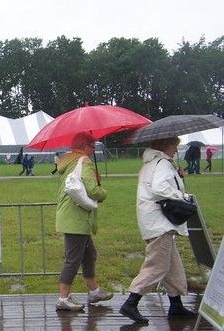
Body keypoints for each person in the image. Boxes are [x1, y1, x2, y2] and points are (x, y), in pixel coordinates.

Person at [119, 137, 197, 324]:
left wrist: (177, 178)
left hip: (153, 222)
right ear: (164, 146)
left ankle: (176, 305)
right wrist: (182, 195)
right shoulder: (162, 163)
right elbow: (160, 188)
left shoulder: (152, 163)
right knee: (158, 265)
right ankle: (131, 301)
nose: (176, 150)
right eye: (174, 146)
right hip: (159, 223)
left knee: (172, 266)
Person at [55, 133, 112, 310]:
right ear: (84, 145)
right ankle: (63, 299)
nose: (93, 150)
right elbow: (93, 190)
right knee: (73, 259)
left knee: (89, 254)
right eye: (93, 147)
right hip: (77, 218)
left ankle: (94, 290)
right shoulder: (84, 161)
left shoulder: (68, 161)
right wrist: (103, 191)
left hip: (71, 216)